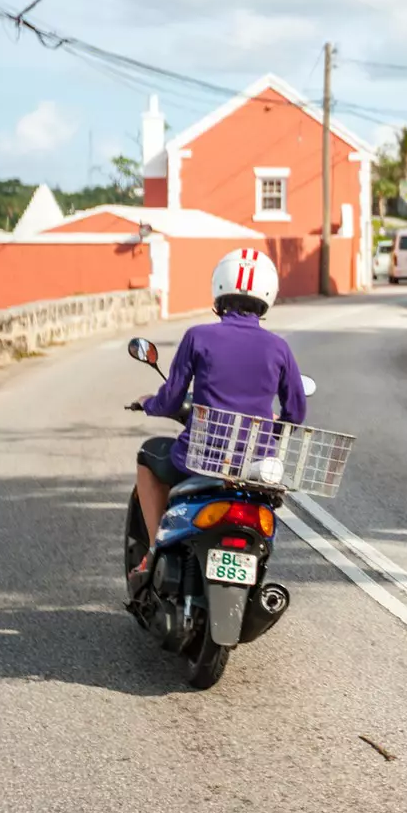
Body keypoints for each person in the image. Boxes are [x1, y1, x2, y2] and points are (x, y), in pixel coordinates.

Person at [129, 248, 306, 579]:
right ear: (268, 294)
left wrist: (149, 403)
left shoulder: (198, 337)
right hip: (256, 465)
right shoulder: (279, 347)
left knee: (147, 456)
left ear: (219, 288)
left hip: (201, 457)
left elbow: (170, 400)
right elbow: (296, 411)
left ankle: (154, 550)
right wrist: (270, 435)